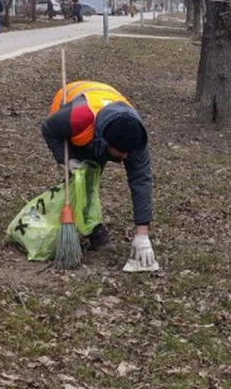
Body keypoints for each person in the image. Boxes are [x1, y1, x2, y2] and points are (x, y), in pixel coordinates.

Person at [41, 81, 160, 272]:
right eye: (120, 153)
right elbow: (48, 129)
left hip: (104, 117)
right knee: (81, 180)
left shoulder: (135, 136)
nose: (125, 158)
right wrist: (68, 160)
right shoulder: (78, 117)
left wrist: (142, 234)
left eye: (128, 153)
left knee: (91, 177)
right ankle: (83, 231)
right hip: (73, 119)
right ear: (105, 141)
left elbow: (141, 181)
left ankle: (88, 224)